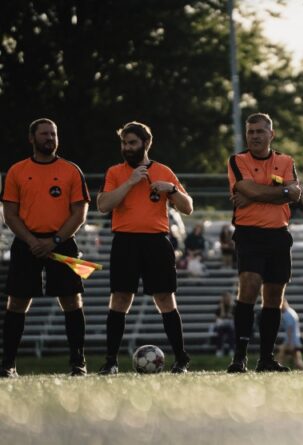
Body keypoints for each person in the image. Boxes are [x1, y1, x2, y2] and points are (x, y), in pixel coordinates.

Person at [96, 121, 194, 374]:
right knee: (120, 299)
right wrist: (129, 182)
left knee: (165, 299)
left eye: (132, 143)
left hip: (156, 242)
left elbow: (188, 207)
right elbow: (103, 205)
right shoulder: (115, 172)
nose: (127, 148)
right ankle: (111, 361)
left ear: (146, 143)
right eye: (124, 143)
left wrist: (171, 189)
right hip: (125, 241)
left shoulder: (163, 170)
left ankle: (181, 359)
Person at [0, 118, 90, 378]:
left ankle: (78, 363)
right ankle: (8, 365)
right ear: (32, 138)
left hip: (63, 242)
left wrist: (55, 241)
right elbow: (10, 214)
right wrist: (31, 241)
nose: (50, 138)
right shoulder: (17, 171)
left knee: (72, 300)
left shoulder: (71, 170)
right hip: (26, 243)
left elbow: (80, 213)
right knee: (17, 302)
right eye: (44, 134)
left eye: (53, 134)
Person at [226, 112, 302, 373]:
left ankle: (266, 359)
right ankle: (239, 357)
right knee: (248, 286)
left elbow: (296, 194)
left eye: (260, 131)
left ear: (272, 134)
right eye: (251, 132)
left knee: (274, 297)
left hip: (279, 234)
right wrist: (279, 192)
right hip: (249, 233)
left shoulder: (286, 161)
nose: (255, 136)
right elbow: (250, 189)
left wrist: (257, 195)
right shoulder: (237, 160)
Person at [276, 301, 303, 371]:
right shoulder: (291, 311)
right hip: (295, 340)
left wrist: (289, 343)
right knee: (297, 362)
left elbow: (289, 329)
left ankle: (275, 369)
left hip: (292, 341)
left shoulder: (287, 314)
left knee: (281, 356)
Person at [215, 291, 235, 357]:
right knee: (220, 332)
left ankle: (231, 349)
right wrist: (222, 308)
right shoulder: (220, 307)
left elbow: (235, 317)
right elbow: (217, 317)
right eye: (226, 297)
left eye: (228, 297)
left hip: (230, 326)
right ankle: (219, 350)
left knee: (231, 332)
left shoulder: (233, 307)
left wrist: (230, 309)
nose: (227, 298)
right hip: (221, 326)